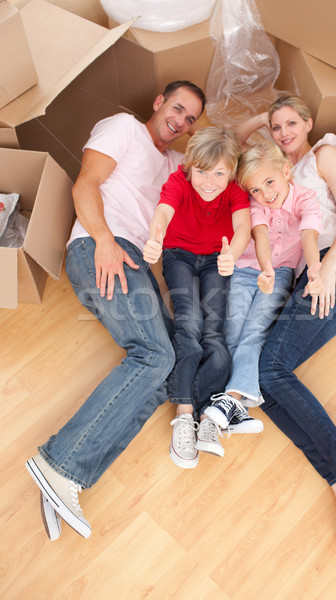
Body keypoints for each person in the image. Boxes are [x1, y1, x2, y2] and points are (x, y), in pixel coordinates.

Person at [25, 80, 206, 539]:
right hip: (101, 246)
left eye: (191, 119)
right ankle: (60, 463)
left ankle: (67, 480)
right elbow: (85, 184)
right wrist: (103, 241)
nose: (181, 121)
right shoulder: (124, 127)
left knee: (173, 368)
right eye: (178, 108)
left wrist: (263, 121)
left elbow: (227, 153)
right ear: (158, 101)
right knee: (156, 355)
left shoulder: (176, 165)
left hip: (135, 265)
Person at [236, 95, 336, 556]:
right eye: (276, 127)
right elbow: (240, 142)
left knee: (270, 372)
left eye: (291, 124)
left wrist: (326, 269)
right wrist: (264, 117)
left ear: (309, 123)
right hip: (308, 277)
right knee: (264, 377)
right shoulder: (273, 174)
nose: (283, 132)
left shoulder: (321, 156)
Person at [143, 126, 258, 469]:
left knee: (216, 337)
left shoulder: (236, 192)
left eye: (219, 174)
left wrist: (232, 255)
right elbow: (162, 213)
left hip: (216, 260)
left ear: (232, 173)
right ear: (189, 167)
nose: (209, 182)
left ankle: (208, 414)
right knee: (189, 324)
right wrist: (155, 238)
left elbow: (242, 230)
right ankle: (184, 413)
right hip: (178, 254)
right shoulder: (178, 182)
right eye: (202, 172)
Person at [206, 141, 322, 432]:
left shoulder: (306, 198)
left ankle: (230, 400)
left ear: (286, 171)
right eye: (255, 189)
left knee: (255, 333)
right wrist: (264, 268)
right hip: (248, 270)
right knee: (231, 332)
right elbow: (261, 237)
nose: (265, 194)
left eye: (269, 182)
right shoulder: (255, 205)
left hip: (281, 273)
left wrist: (315, 269)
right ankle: (235, 410)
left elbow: (309, 237)